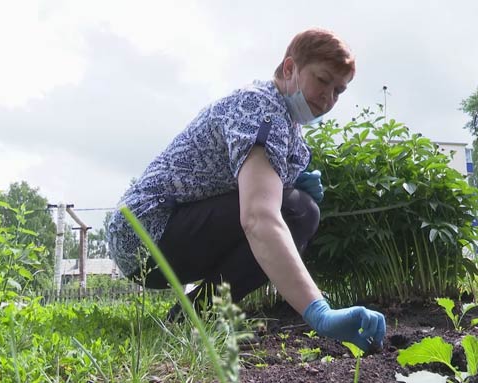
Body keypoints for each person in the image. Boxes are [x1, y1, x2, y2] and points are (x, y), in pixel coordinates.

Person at [107, 28, 386, 352]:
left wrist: (289, 183)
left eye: (339, 90)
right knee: (298, 211)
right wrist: (319, 313)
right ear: (289, 68)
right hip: (144, 234)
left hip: (157, 234)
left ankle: (187, 321)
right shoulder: (261, 109)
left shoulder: (284, 120)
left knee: (296, 205)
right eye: (323, 80)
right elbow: (258, 217)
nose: (329, 98)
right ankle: (197, 317)